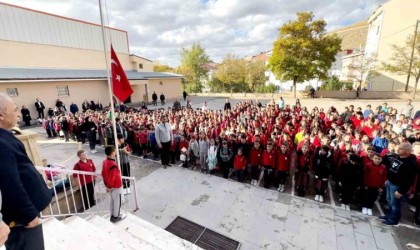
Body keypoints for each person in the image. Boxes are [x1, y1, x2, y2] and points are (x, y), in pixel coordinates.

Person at [0, 93, 51, 249]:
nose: (18, 113)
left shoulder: (5, 136)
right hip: (22, 220)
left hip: (24, 215)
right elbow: (10, 184)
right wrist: (29, 214)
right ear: (1, 115)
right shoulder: (1, 144)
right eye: (15, 110)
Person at [380, 142, 417, 225]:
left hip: (397, 186)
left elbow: (409, 180)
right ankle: (388, 215)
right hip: (390, 183)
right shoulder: (398, 157)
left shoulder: (411, 164)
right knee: (389, 201)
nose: (398, 149)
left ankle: (393, 220)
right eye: (399, 148)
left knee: (395, 204)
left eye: (401, 149)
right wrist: (388, 180)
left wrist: (401, 191)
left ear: (408, 151)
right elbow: (392, 168)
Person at [102, 146, 126, 223]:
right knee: (117, 202)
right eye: (115, 151)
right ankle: (116, 216)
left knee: (113, 201)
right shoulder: (112, 164)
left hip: (110, 186)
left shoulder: (105, 161)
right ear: (112, 153)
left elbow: (103, 173)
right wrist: (109, 186)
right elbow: (112, 177)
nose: (116, 152)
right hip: (115, 186)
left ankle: (113, 215)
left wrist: (107, 185)